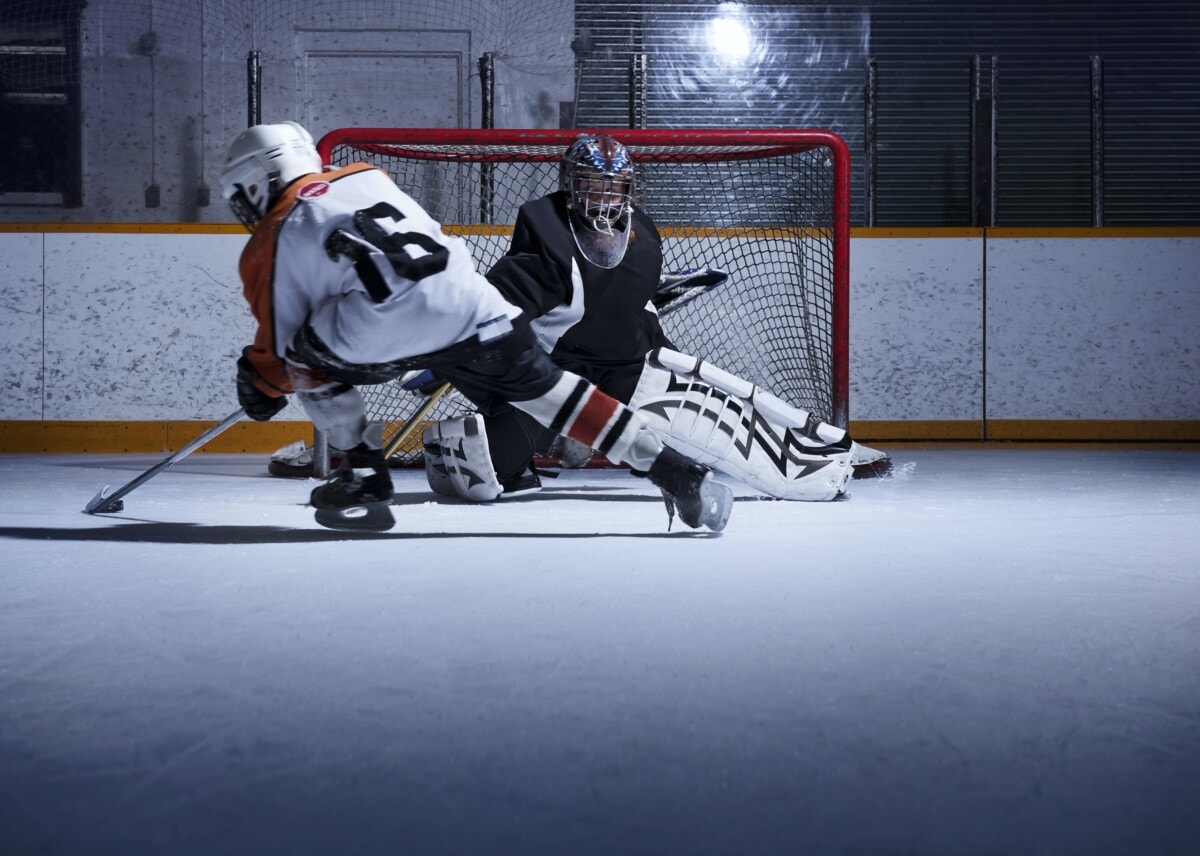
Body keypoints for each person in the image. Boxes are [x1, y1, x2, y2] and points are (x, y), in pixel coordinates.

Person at [219, 121, 733, 533]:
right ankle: (674, 471)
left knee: (303, 357)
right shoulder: (366, 175)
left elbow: (278, 354)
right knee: (556, 394)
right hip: (475, 306)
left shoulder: (270, 240)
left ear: (257, 182)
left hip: (391, 327)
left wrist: (259, 384)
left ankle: (362, 477)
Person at [416, 133, 884, 504]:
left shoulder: (642, 234)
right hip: (557, 382)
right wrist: (450, 353)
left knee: (723, 413)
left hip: (626, 372)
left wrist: (666, 352)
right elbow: (499, 311)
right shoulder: (547, 238)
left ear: (628, 189)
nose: (602, 196)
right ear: (569, 184)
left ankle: (823, 453)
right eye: (590, 184)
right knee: (495, 463)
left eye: (613, 186)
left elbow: (634, 305)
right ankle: (546, 445)